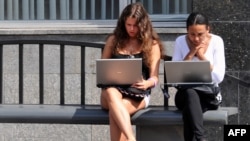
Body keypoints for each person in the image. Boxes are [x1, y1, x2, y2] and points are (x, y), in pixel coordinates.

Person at [100, 2, 164, 141]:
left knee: (116, 111)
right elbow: (103, 69)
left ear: (143, 25)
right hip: (111, 91)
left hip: (137, 93)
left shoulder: (151, 44)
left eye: (135, 25)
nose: (132, 29)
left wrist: (147, 83)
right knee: (112, 93)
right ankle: (131, 138)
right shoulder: (113, 40)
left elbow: (154, 77)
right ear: (123, 23)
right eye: (128, 25)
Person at [172, 12, 225, 141]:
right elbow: (174, 77)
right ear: (187, 31)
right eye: (192, 34)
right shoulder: (180, 41)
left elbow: (218, 77)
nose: (196, 39)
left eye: (200, 34)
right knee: (190, 93)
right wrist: (191, 54)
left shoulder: (217, 41)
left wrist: (201, 57)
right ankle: (201, 138)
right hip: (184, 95)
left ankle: (200, 138)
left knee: (189, 110)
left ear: (208, 29)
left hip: (208, 95)